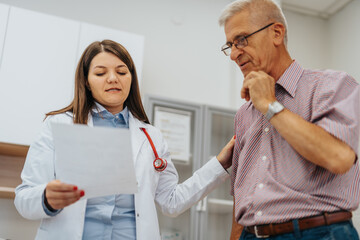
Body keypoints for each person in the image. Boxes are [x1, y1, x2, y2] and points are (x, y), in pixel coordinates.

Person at [14, 39, 235, 240]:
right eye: (100, 73)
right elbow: (24, 199)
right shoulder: (58, 126)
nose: (113, 79)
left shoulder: (151, 136)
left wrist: (219, 165)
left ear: (131, 78)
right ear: (87, 81)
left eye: (121, 71)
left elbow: (171, 202)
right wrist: (46, 198)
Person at [218, 0, 360, 239]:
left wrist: (269, 105)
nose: (233, 54)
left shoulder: (332, 86)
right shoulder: (244, 114)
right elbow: (241, 197)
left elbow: (338, 158)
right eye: (230, 45)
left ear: (276, 33)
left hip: (318, 232)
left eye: (242, 40)